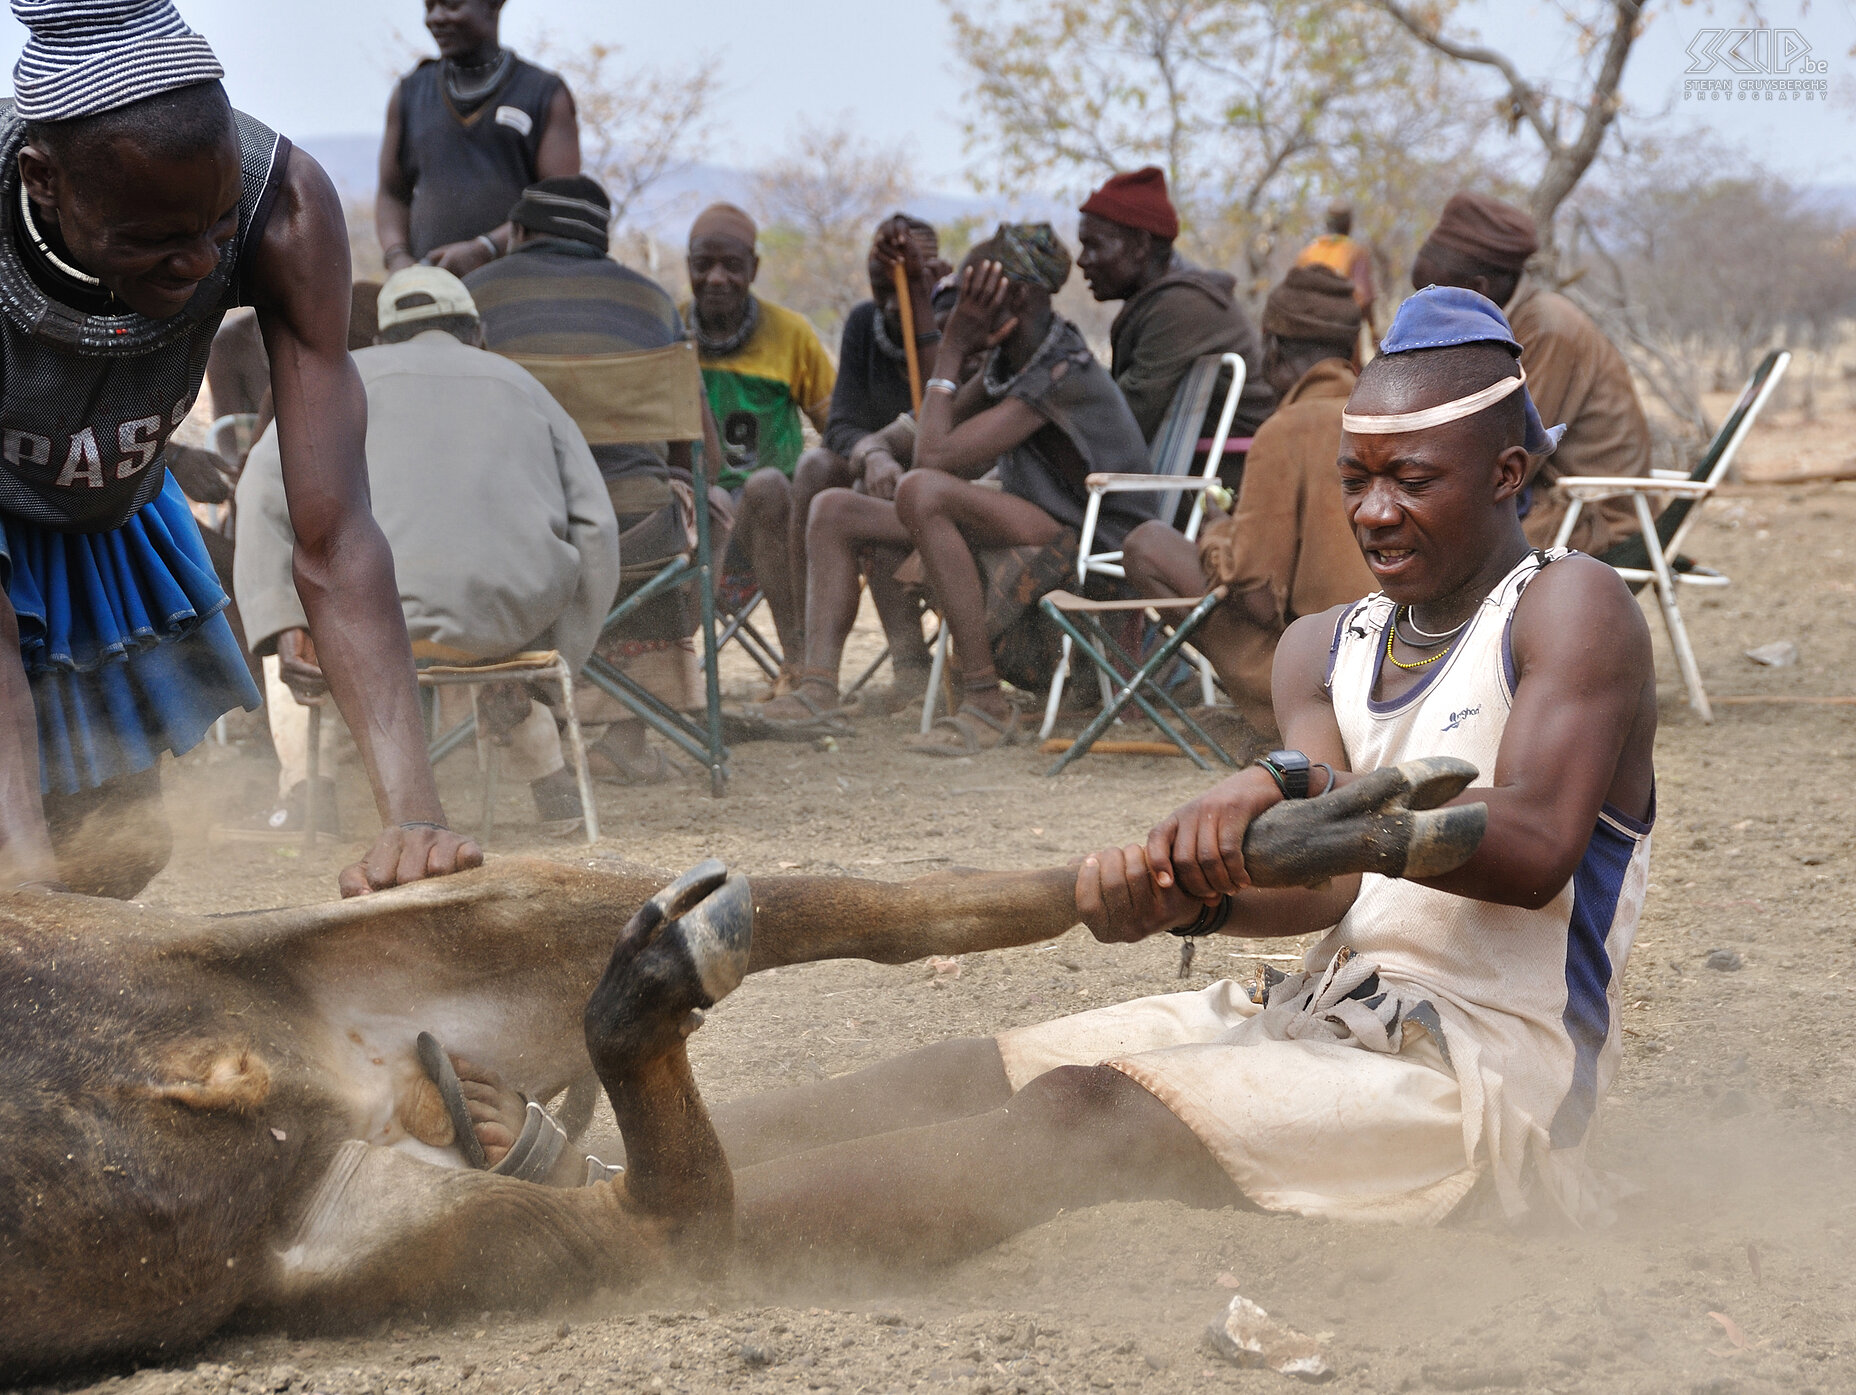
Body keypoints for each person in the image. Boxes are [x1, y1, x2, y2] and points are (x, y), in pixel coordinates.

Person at [452, 287, 1658, 1257]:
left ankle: (649, 1234)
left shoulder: (1568, 609)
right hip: (1324, 1014)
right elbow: (1326, 895)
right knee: (961, 1070)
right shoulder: (1319, 648)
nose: (1376, 512)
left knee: (1081, 1114)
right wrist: (1204, 892)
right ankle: (608, 1164)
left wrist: (1300, 809)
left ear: (1505, 478)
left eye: (1414, 480)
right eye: (1356, 480)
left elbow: (1538, 844)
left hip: (1481, 1082)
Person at [0, 0, 477, 899]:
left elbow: (333, 537)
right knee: (27, 887)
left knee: (113, 852)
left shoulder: (287, 208)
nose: (194, 268)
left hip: (109, 512)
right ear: (43, 181)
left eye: (214, 231)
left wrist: (415, 821)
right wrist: (27, 913)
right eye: (150, 240)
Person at [234, 267, 619, 835]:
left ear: (383, 339)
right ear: (478, 334)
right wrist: (557, 653)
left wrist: (281, 623)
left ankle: (306, 793)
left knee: (309, 609)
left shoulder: (345, 378)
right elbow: (597, 525)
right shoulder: (523, 384)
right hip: (504, 628)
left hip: (369, 626)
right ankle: (551, 782)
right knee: (496, 613)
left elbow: (260, 490)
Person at [466, 174, 727, 785]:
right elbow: (704, 459)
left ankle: (527, 708)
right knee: (704, 509)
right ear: (599, 241)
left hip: (502, 535)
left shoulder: (473, 297)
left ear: (520, 233)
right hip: (633, 530)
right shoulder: (652, 303)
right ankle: (628, 737)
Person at [899, 224, 1157, 753]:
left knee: (920, 493)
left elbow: (932, 459)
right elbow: (930, 440)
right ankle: (829, 683)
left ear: (1012, 294)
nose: (966, 307)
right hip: (1038, 514)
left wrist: (950, 351)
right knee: (839, 509)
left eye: (974, 294)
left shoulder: (1059, 368)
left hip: (1093, 535)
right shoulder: (1010, 358)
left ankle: (985, 701)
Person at [1119, 264, 1375, 738]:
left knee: (1147, 544)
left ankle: (1282, 713)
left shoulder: (1286, 429)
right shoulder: (1385, 414)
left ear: (1272, 348)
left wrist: (1218, 528)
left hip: (1329, 677)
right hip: (1403, 665)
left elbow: (1256, 595)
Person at [1412, 191, 1653, 555]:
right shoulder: (1502, 323)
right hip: (1550, 503)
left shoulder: (1545, 330)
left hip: (1594, 517)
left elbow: (1512, 452)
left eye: (1436, 301)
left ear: (1478, 288)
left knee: (1431, 551)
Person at [781, 214, 944, 713]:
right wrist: (873, 454)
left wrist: (887, 451)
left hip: (944, 489)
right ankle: (806, 661)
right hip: (878, 484)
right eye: (883, 283)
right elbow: (840, 425)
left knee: (856, 507)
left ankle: (911, 672)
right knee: (815, 471)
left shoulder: (957, 324)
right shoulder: (863, 325)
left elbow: (946, 415)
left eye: (910, 281)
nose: (894, 299)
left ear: (936, 274)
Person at [684, 202, 835, 690]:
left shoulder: (790, 334)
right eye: (702, 264)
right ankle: (668, 677)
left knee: (767, 485)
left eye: (732, 265)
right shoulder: (668, 329)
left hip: (774, 525)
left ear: (755, 268)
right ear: (687, 266)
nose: (716, 278)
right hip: (693, 521)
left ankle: (798, 659)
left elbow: (837, 425)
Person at [1075, 166, 1275, 467]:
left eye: (1094, 245)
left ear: (1141, 245)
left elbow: (1122, 428)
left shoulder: (1181, 308)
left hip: (1225, 476)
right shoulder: (1171, 301)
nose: (1082, 260)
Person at [376, 0, 580, 277]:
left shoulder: (543, 93)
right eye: (429, 7)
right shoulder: (409, 93)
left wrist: (486, 248)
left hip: (518, 287)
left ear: (493, 6)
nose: (435, 18)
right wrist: (398, 256)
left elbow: (557, 201)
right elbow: (392, 192)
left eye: (450, 5)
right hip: (430, 288)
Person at [1294, 199, 1377, 343]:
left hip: (1307, 334)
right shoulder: (1354, 251)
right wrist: (1373, 330)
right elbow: (1364, 298)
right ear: (1349, 224)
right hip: (1342, 334)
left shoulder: (1308, 252)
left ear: (1327, 223)